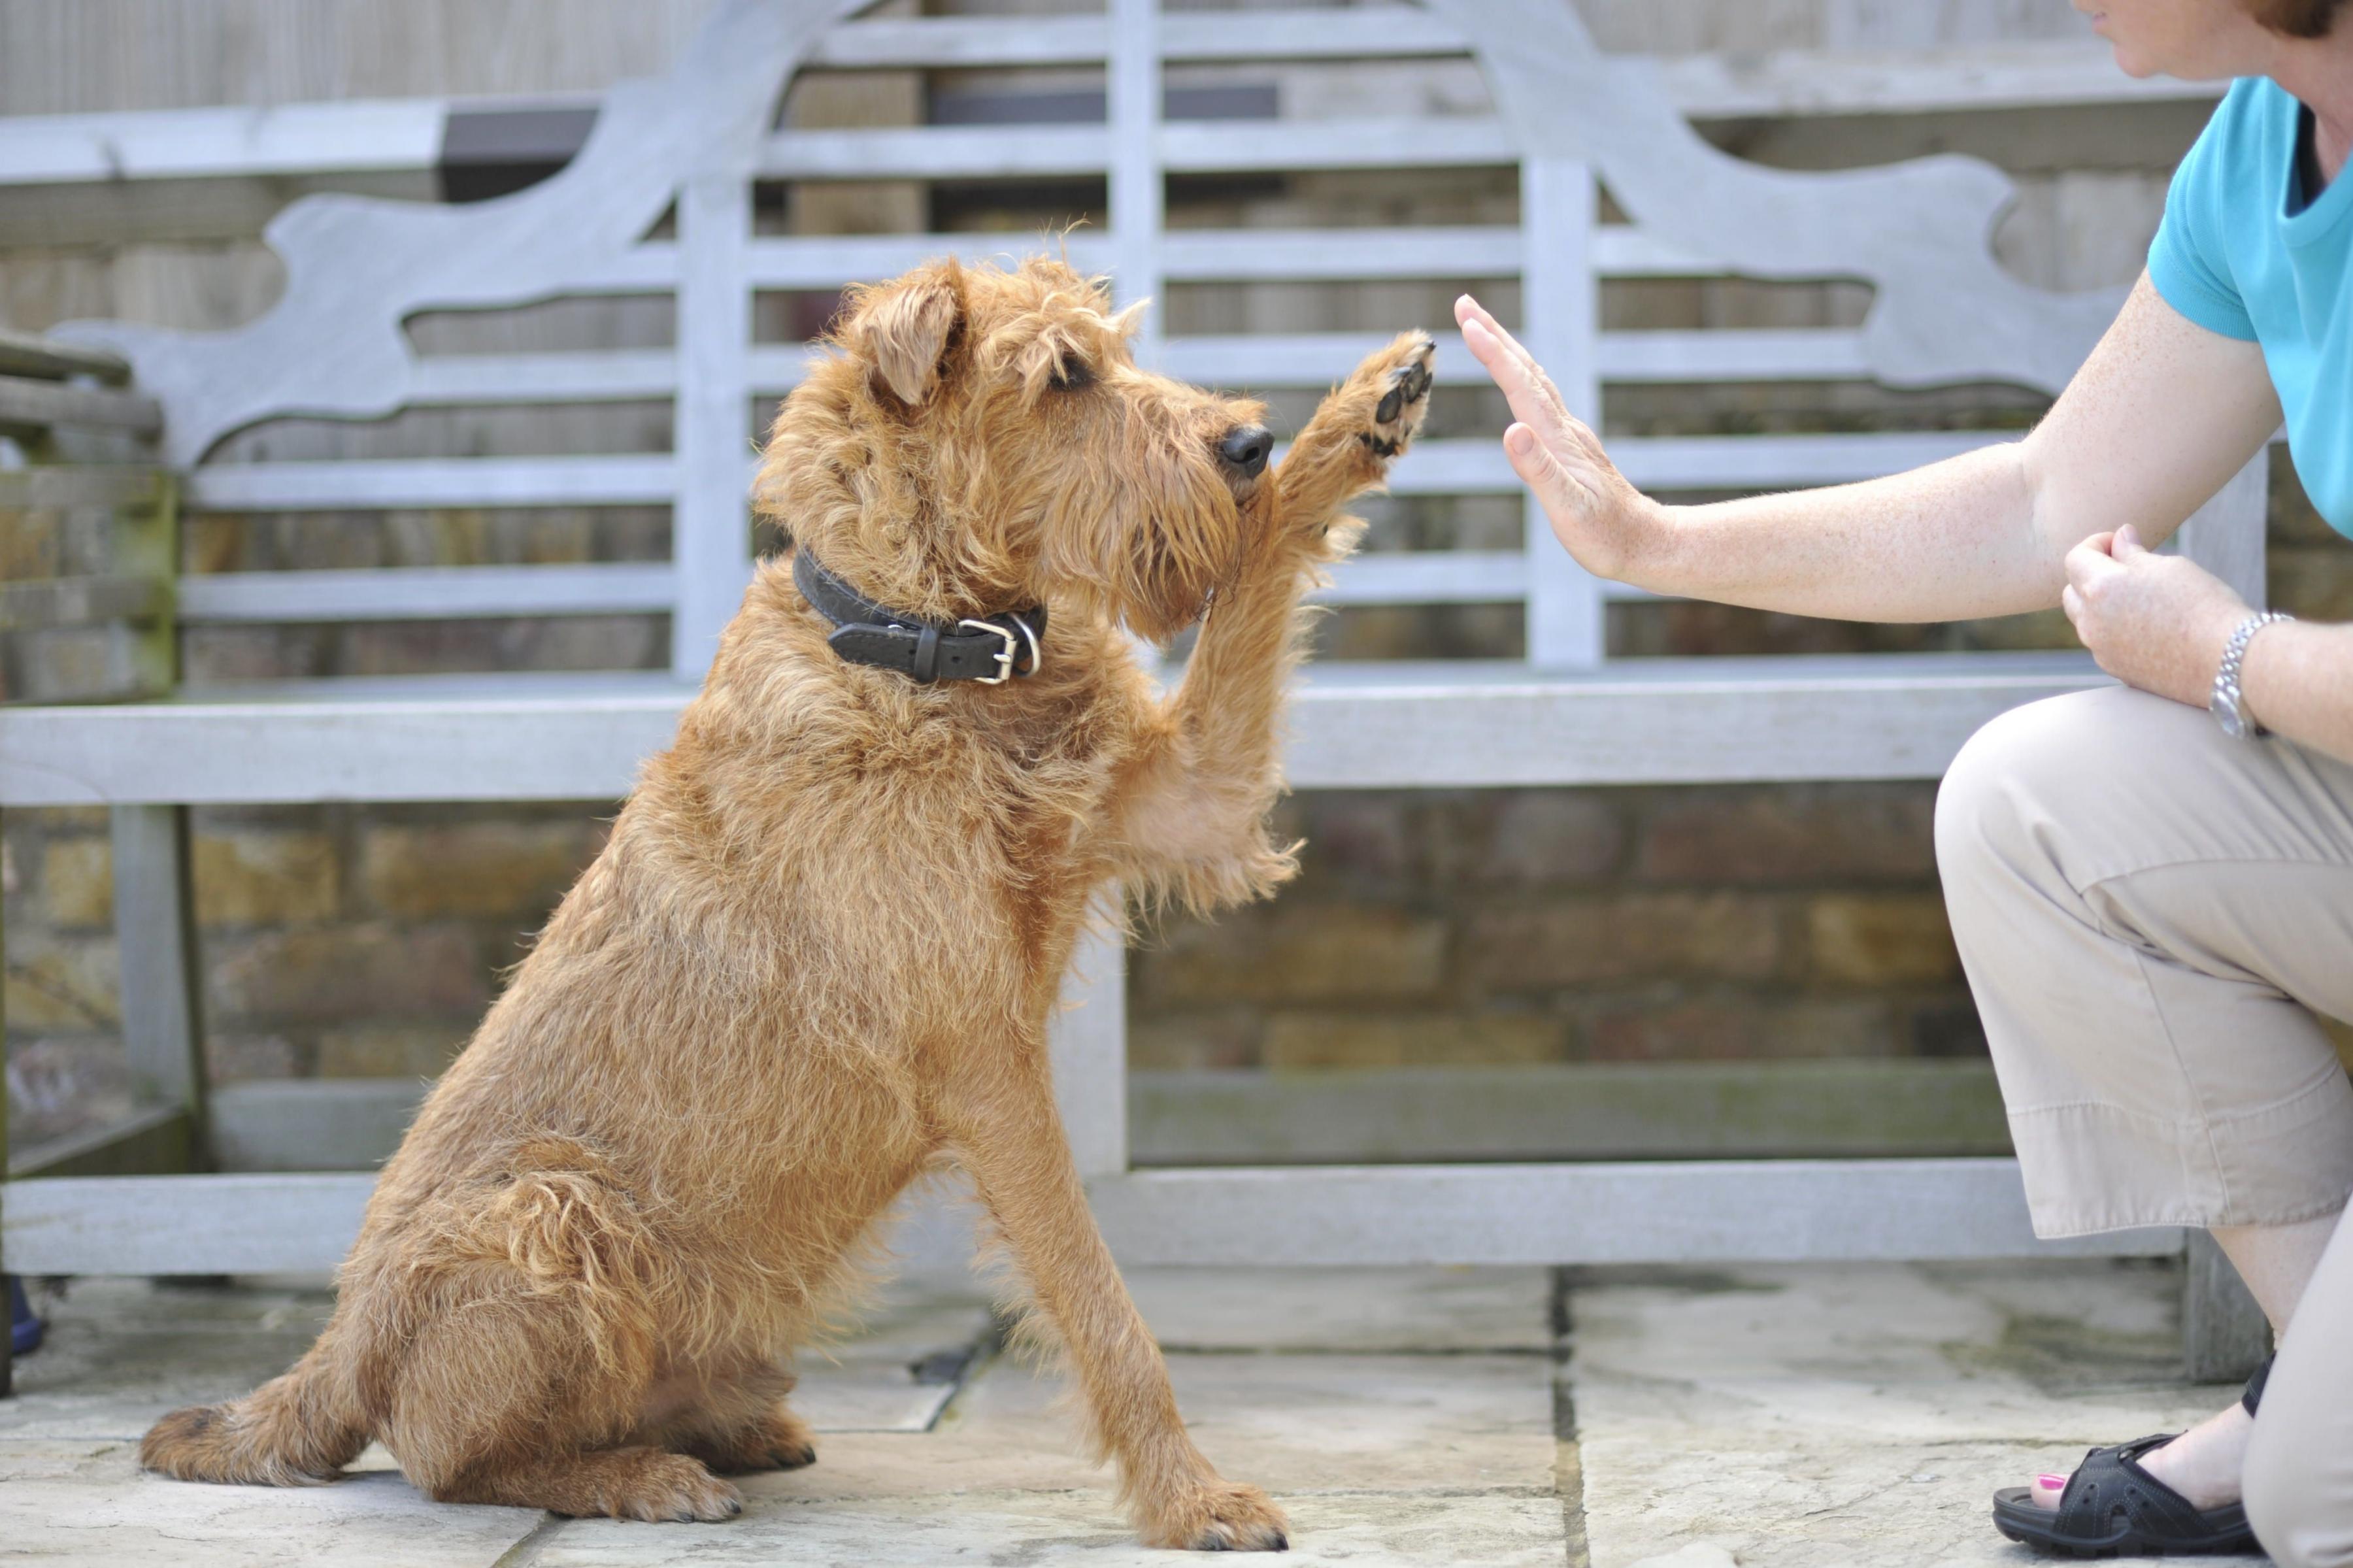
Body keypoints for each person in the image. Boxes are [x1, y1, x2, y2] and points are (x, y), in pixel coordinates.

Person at [1457, 0, 2353, 1558]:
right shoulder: (2259, 153)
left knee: (2326, 1509)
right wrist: (1656, 540)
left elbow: (2214, 644)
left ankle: (2321, 1431)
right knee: (2036, 802)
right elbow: (2040, 502)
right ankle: (2319, 1378)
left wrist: (2229, 653)